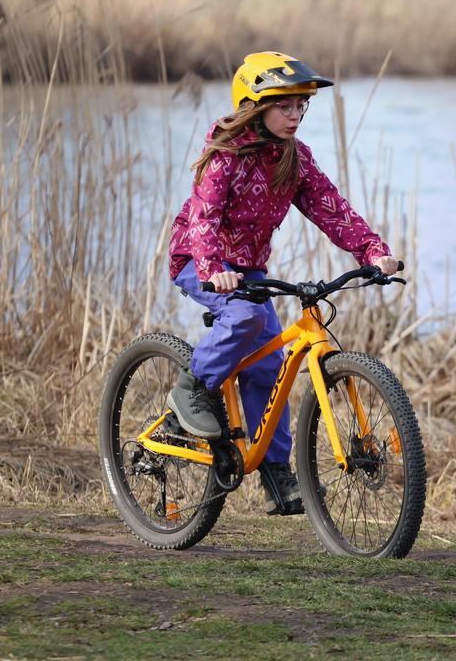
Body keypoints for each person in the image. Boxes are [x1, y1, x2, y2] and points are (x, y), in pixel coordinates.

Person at [165, 51, 398, 515]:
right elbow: (205, 219)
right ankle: (191, 389)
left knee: (269, 368)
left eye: (300, 107)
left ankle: (276, 472)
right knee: (246, 317)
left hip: (247, 271)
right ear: (254, 105)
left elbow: (331, 208)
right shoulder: (225, 157)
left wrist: (372, 251)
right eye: (284, 106)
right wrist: (212, 268)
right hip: (198, 259)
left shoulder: (292, 158)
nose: (295, 116)